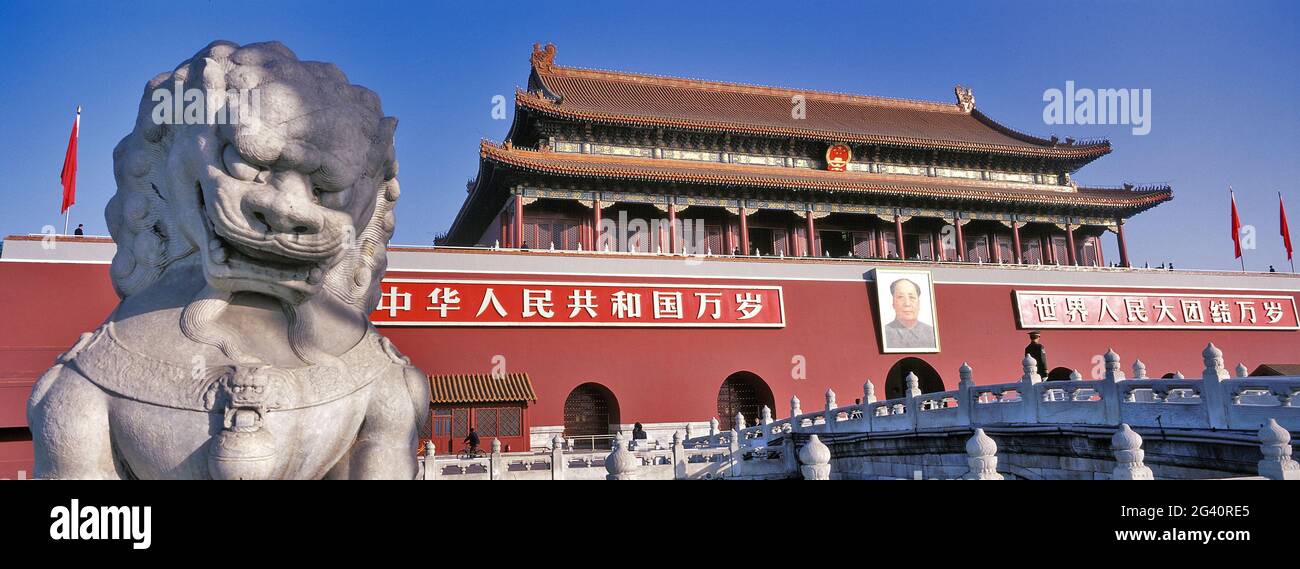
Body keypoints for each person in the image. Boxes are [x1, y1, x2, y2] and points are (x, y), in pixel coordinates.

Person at [884, 278, 936, 349]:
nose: (907, 304)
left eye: (911, 297)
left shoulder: (931, 333)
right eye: (900, 297)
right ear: (893, 303)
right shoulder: (885, 333)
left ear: (919, 303)